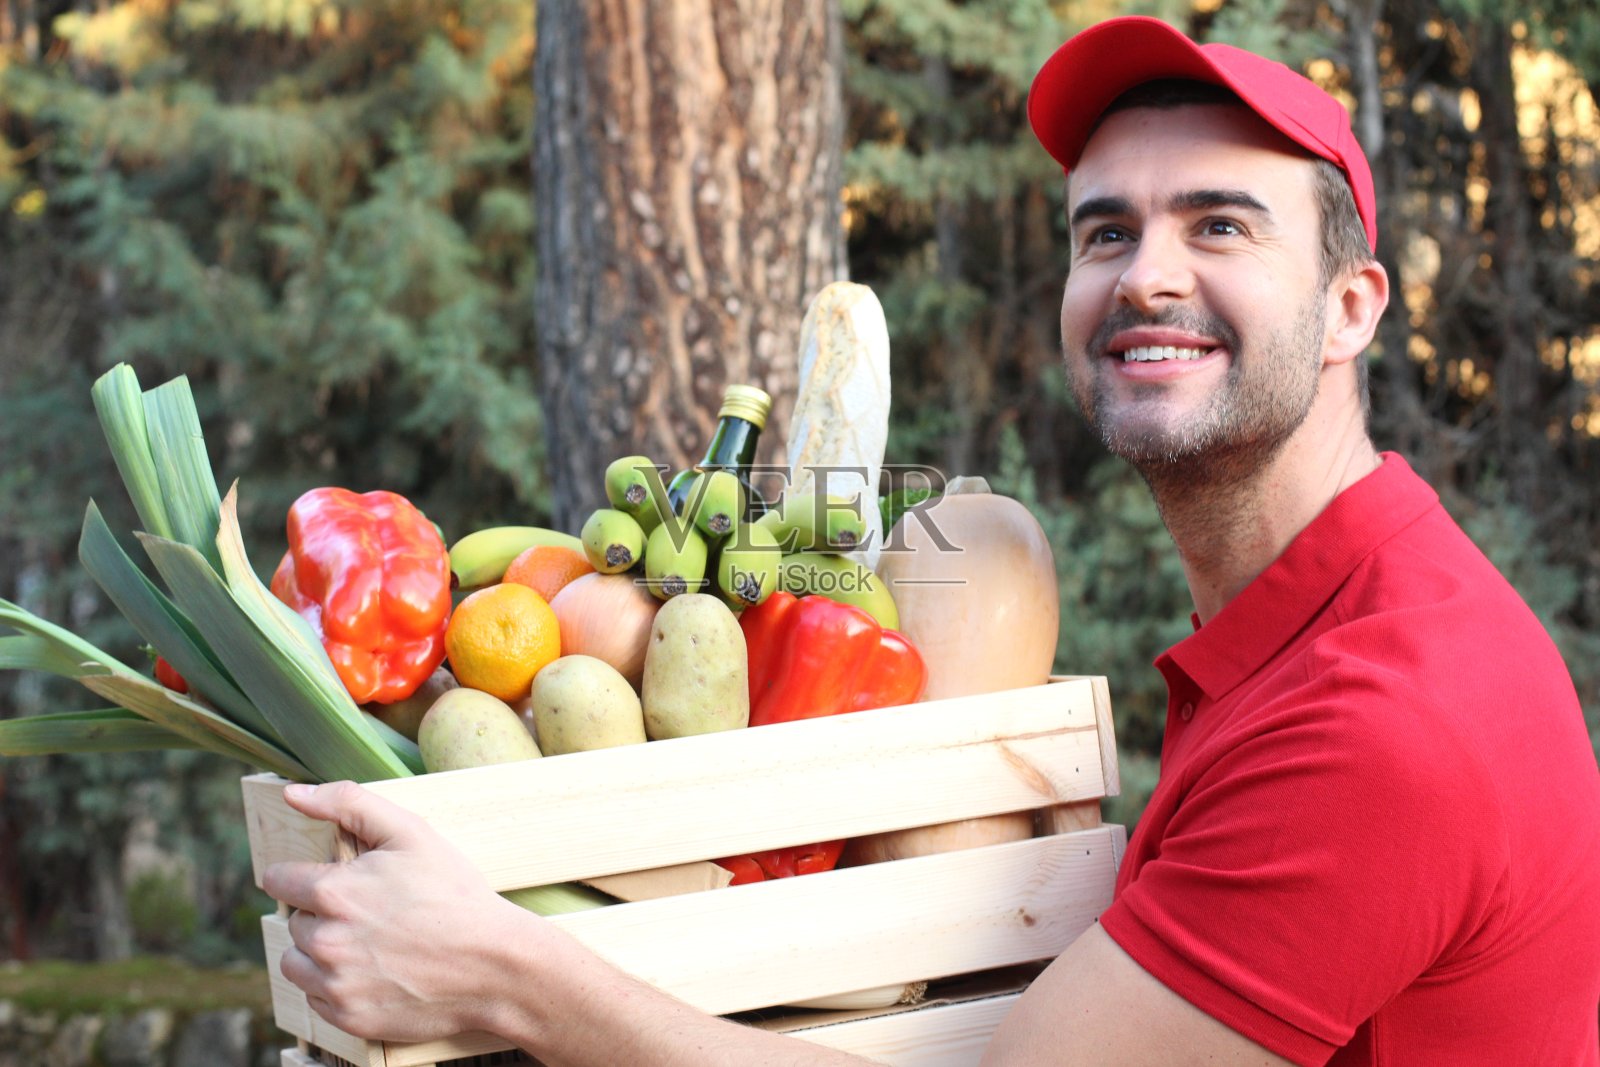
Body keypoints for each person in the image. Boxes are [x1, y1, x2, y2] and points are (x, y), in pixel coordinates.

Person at [263, 16, 1600, 1066]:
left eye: (1220, 225)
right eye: (1106, 231)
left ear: (1353, 306)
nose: (1147, 273)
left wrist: (506, 972)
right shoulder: (1324, 631)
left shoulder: (1384, 721)